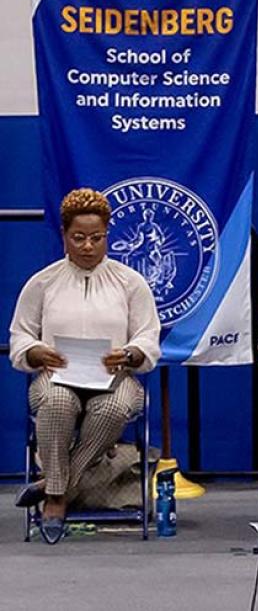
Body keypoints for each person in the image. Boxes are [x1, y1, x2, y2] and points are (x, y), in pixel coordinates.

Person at [9, 188, 161, 545]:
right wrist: (35, 353)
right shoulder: (42, 283)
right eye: (79, 238)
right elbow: (20, 336)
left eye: (97, 238)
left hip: (115, 376)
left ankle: (55, 491)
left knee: (114, 407)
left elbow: (148, 338)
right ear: (64, 236)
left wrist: (129, 355)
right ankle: (60, 496)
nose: (88, 246)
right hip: (56, 375)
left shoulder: (130, 283)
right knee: (58, 402)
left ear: (107, 235)